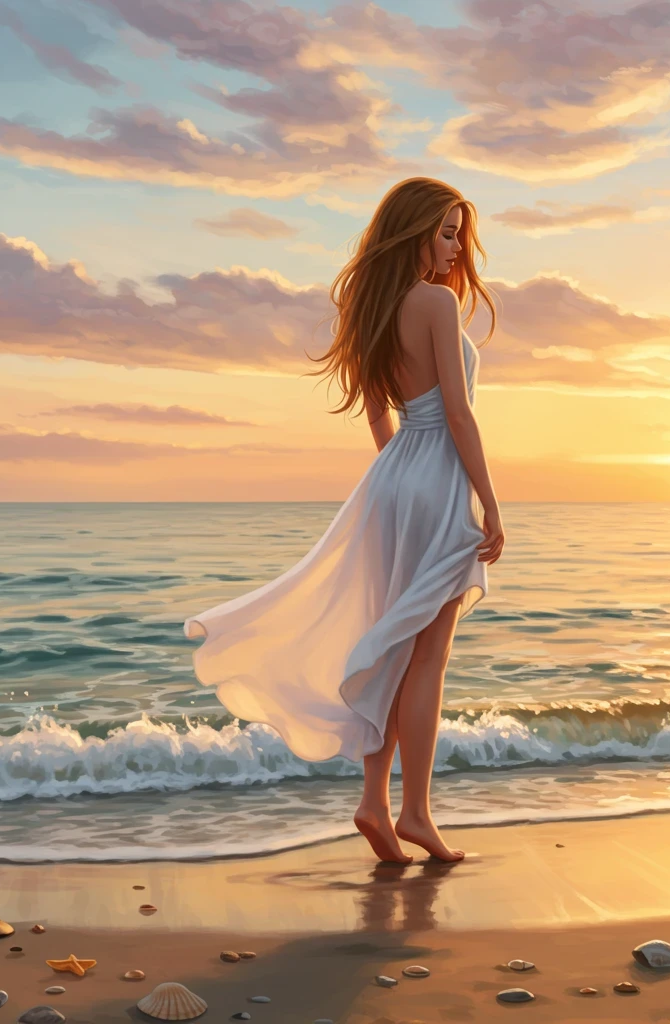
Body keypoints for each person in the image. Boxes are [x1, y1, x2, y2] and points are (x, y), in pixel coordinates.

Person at [184, 177, 505, 864]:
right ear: (413, 229)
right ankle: (415, 812)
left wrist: (401, 479)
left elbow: (381, 416)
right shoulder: (436, 303)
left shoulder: (374, 308)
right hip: (437, 476)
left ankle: (372, 802)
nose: (456, 248)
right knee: (427, 655)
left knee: (390, 642)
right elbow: (457, 412)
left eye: (458, 233)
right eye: (446, 231)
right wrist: (487, 498)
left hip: (392, 479)